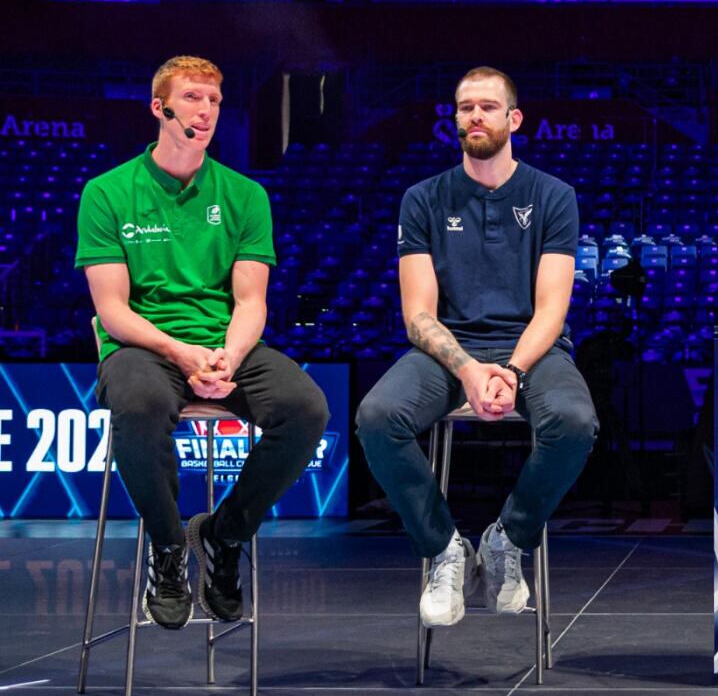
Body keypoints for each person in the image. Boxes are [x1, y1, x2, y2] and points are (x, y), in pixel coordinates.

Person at [76, 55, 329, 629]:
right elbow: (112, 310)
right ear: (159, 108)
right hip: (143, 347)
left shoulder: (245, 195)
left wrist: (228, 358)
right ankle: (168, 550)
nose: (206, 110)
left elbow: (251, 302)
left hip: (224, 345)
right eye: (192, 97)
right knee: (139, 404)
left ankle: (224, 534)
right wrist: (181, 353)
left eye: (214, 100)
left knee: (306, 408)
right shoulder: (107, 192)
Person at [356, 66, 597, 628]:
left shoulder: (553, 196)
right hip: (448, 350)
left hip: (532, 348)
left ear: (514, 118)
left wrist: (511, 369)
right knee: (377, 417)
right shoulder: (423, 199)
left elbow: (552, 309)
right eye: (465, 107)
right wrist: (468, 369)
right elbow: (418, 315)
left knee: (575, 423)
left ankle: (508, 537)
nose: (475, 116)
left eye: (488, 107)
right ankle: (445, 549)